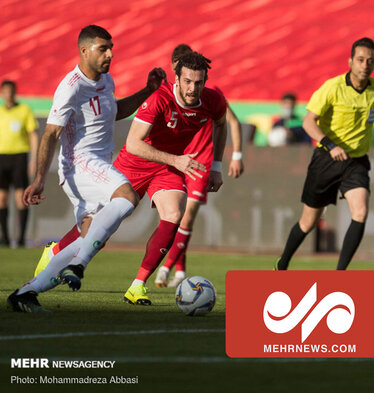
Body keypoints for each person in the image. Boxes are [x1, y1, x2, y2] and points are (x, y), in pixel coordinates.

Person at [7, 25, 166, 312]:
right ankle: (78, 266)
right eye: (103, 48)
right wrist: (39, 178)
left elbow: (115, 112)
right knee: (127, 196)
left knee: (90, 237)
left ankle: (25, 293)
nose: (110, 54)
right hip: (80, 163)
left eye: (111, 47)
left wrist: (148, 90)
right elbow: (50, 134)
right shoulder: (72, 86)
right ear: (84, 51)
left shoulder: (107, 80)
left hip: (97, 164)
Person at [114, 50, 227, 305]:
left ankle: (137, 285)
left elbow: (222, 123)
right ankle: (56, 252)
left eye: (198, 82)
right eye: (187, 81)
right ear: (177, 78)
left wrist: (217, 165)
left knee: (175, 215)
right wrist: (176, 160)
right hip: (135, 163)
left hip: (167, 166)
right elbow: (133, 143)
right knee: (104, 222)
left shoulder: (212, 101)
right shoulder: (158, 99)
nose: (193, 88)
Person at [276, 37, 374, 271]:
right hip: (326, 159)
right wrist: (331, 146)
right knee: (308, 222)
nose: (365, 65)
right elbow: (308, 122)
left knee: (360, 212)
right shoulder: (332, 87)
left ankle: (339, 275)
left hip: (357, 162)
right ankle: (282, 265)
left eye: (370, 61)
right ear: (350, 61)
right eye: (360, 60)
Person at [154, 43, 244, 288]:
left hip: (200, 164)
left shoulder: (208, 93)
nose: (191, 85)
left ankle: (164, 269)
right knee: (174, 218)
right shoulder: (168, 94)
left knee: (187, 217)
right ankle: (180, 270)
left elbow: (230, 122)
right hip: (175, 162)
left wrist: (234, 155)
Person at [0, 80, 38, 247]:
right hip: (1, 157)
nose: (8, 94)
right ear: (2, 93)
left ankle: (21, 238)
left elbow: (33, 135)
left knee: (20, 197)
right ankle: (5, 238)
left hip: (19, 157)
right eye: (5, 91)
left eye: (11, 91)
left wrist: (33, 159)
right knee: (2, 198)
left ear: (14, 92)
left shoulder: (24, 110)